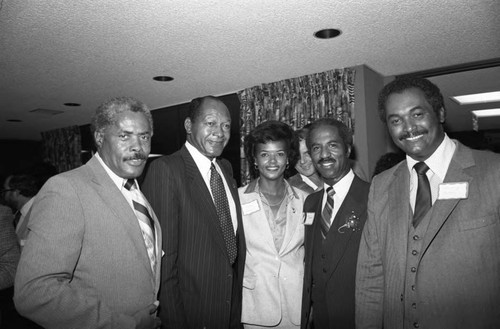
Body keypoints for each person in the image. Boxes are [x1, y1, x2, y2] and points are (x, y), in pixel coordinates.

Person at [355, 77, 500, 329]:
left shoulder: (494, 172)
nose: (408, 128)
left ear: (440, 113)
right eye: (396, 120)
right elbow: (371, 275)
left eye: (417, 114)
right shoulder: (381, 185)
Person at [14, 97, 162, 329]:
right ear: (100, 139)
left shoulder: (134, 190)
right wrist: (125, 325)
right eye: (124, 136)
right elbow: (35, 292)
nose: (138, 147)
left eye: (144, 137)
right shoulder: (66, 188)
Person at [142, 95, 246, 328]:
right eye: (210, 123)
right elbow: (164, 261)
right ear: (189, 126)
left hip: (231, 309)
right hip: (192, 311)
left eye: (226, 125)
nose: (220, 132)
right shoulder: (166, 169)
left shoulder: (226, 169)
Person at [300, 118, 370, 329]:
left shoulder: (372, 196)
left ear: (347, 149)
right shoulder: (310, 202)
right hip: (320, 318)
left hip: (360, 316)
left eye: (332, 145)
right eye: (316, 148)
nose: (324, 155)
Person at [239, 121, 308, 328]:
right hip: (255, 307)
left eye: (279, 154)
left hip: (297, 304)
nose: (272, 161)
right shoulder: (236, 199)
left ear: (288, 159)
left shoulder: (306, 200)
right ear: (254, 159)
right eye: (264, 154)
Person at [287, 125, 323, 194]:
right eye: (297, 156)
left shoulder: (333, 177)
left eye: (307, 153)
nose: (302, 161)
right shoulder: (291, 189)